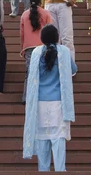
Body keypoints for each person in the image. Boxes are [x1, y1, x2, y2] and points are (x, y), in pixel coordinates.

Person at [23, 24, 77, 172]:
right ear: (57, 37)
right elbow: (74, 69)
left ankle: (43, 169)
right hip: (58, 103)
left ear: (42, 38)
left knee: (42, 139)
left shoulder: (36, 53)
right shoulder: (64, 52)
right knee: (58, 139)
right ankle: (60, 169)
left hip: (39, 103)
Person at [20, 0, 53, 103]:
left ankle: (26, 97)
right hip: (43, 47)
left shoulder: (24, 15)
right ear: (40, 2)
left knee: (29, 72)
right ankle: (42, 97)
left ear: (29, 2)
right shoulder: (46, 13)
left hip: (29, 47)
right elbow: (50, 32)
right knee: (43, 72)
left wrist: (23, 49)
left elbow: (22, 34)